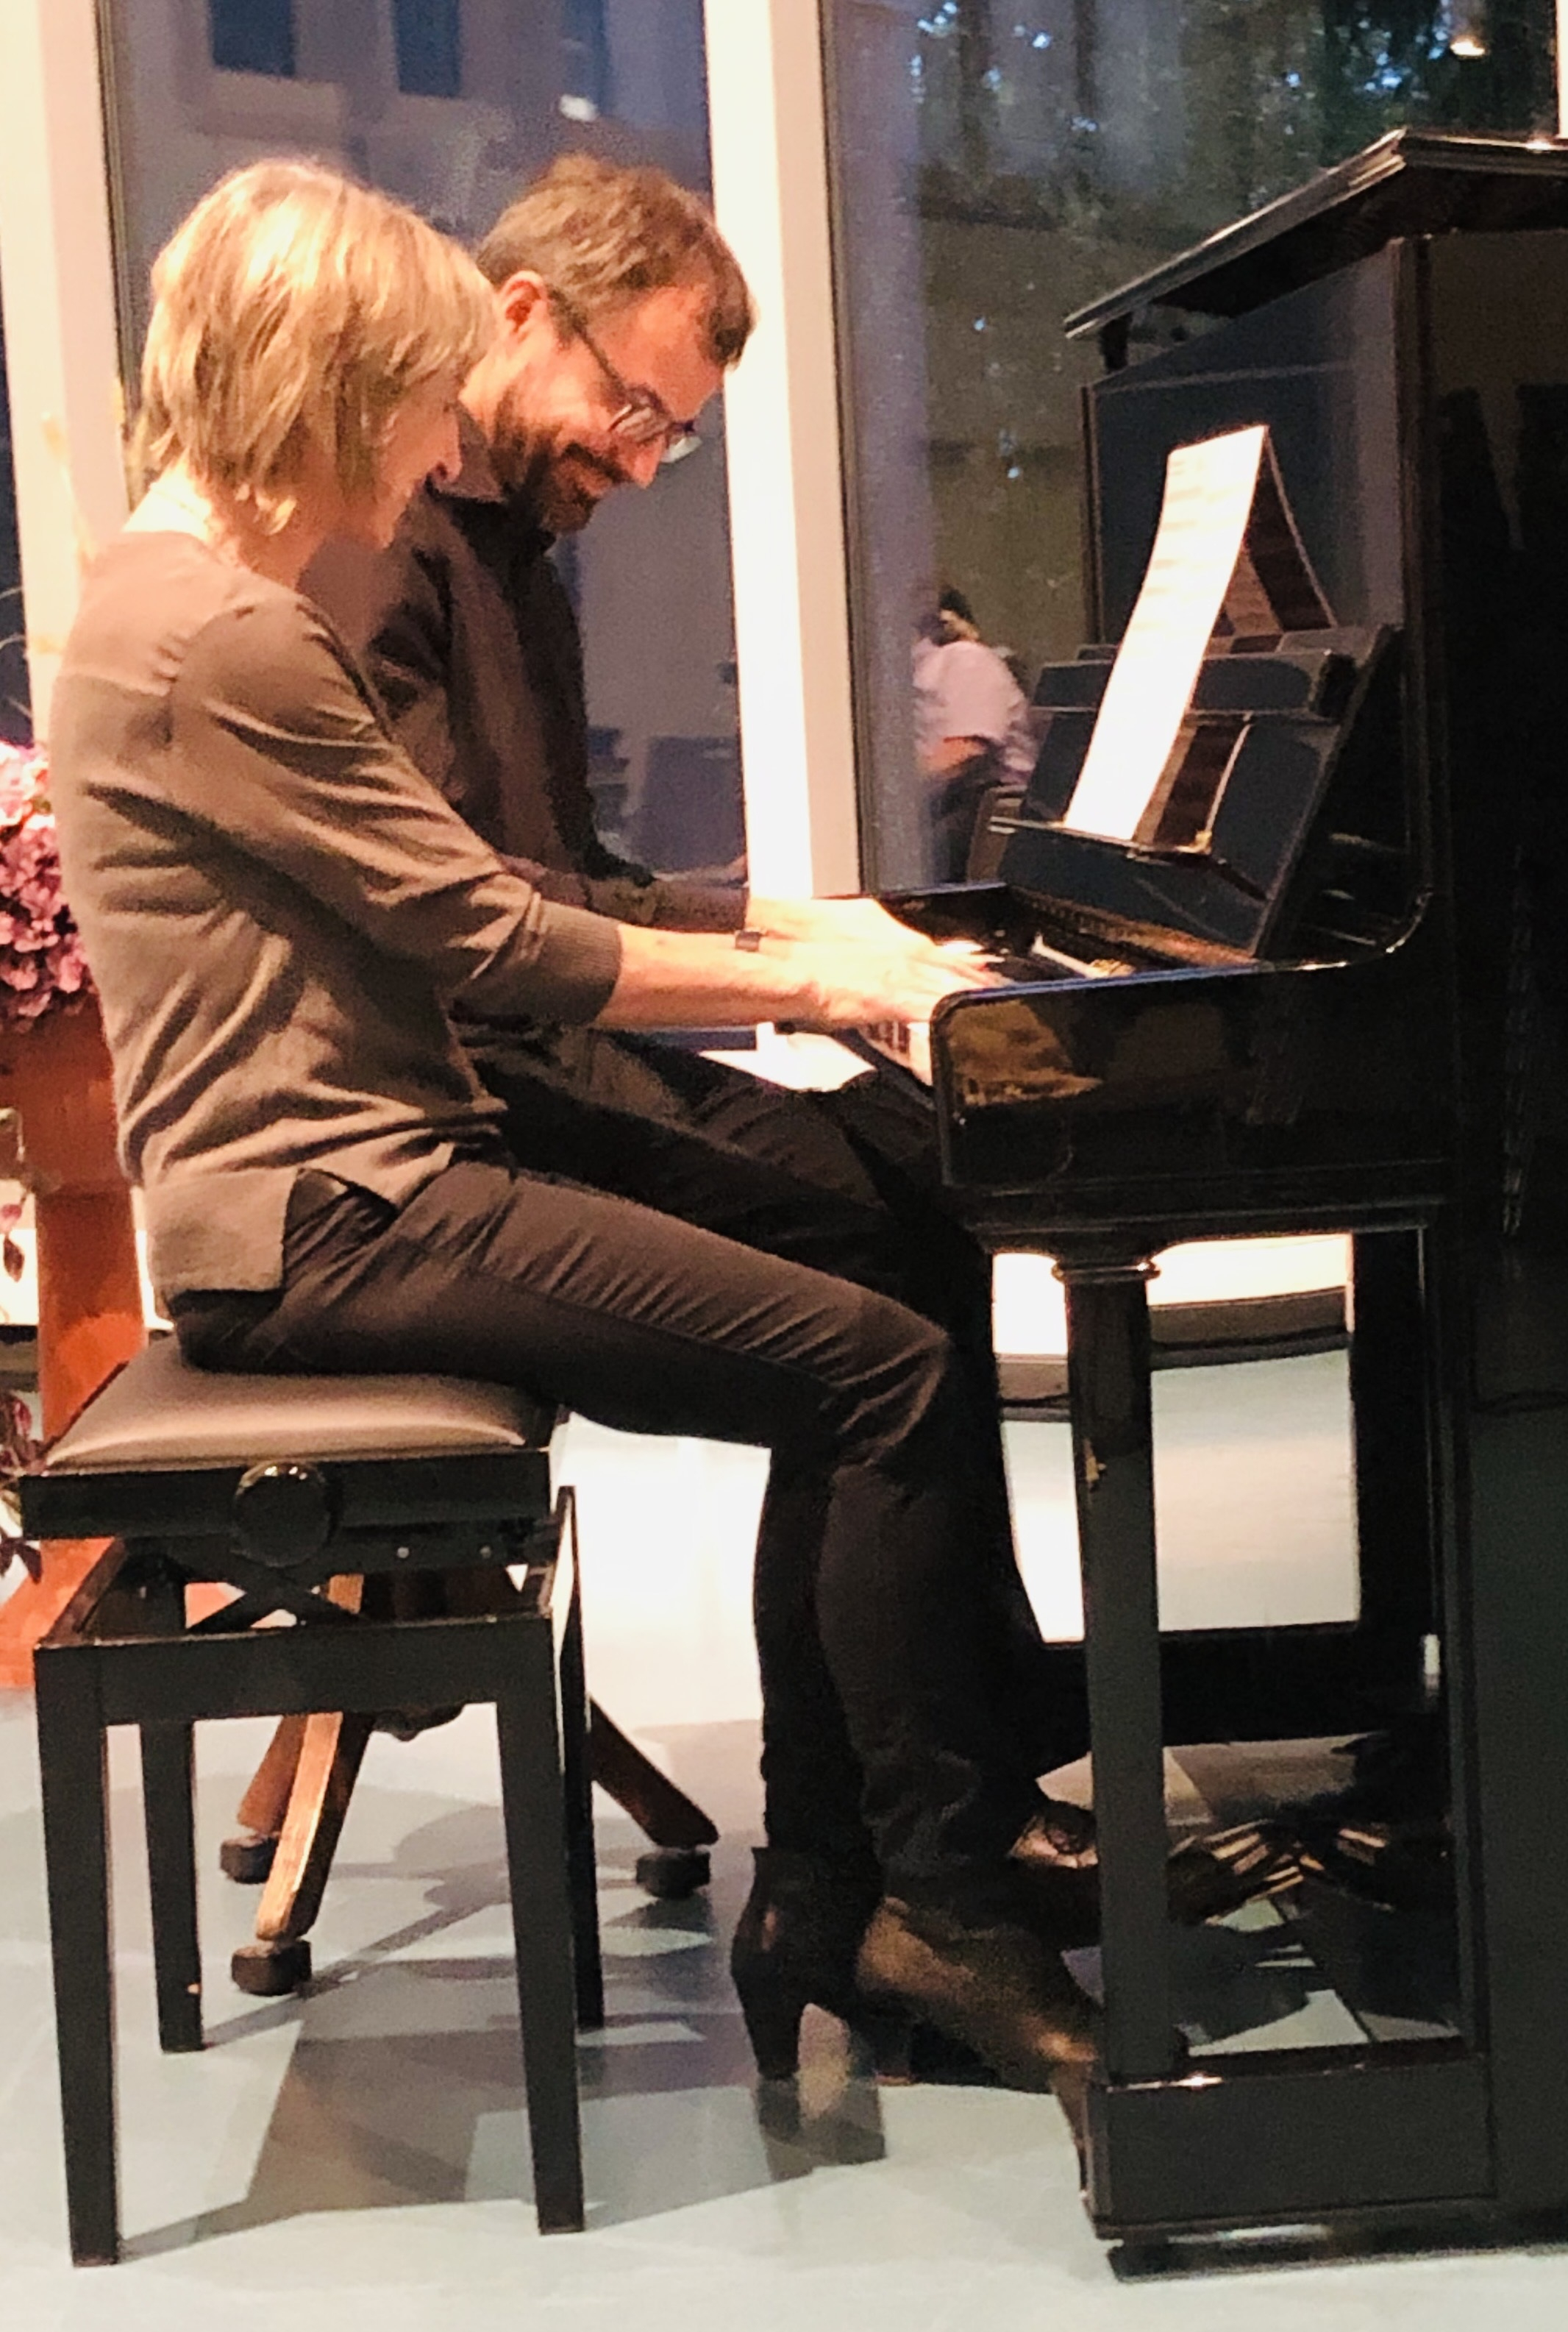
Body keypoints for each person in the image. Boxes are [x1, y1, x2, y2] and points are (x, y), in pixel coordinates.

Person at [46, 158, 1100, 2096]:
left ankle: (867, 1881)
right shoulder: (232, 634)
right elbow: (491, 936)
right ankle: (919, 1904)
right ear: (322, 381)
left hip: (344, 1180)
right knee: (880, 1369)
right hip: (336, 1210)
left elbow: (501, 903)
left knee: (869, 1340)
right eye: (407, 401)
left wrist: (800, 944)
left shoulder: (162, 594)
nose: (428, 444)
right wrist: (823, 980)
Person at [913, 587, 1037, 881]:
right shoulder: (900, 674)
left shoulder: (964, 659)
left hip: (982, 808)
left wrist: (890, 796)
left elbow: (966, 750)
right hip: (939, 802)